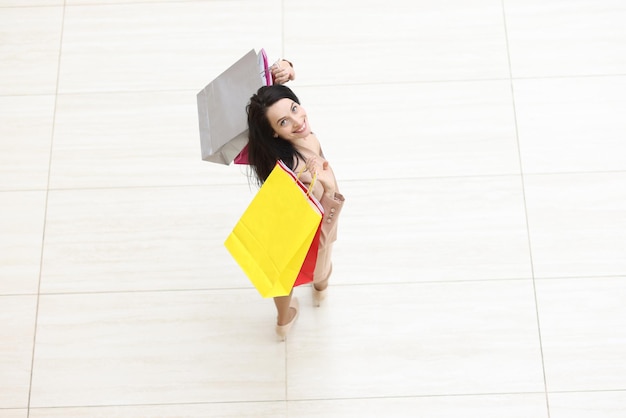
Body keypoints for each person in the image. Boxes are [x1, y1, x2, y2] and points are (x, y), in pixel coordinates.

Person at [246, 84, 345, 340]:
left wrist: (285, 68)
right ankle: (321, 287)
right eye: (284, 122)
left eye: (294, 107)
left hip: (280, 226)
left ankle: (283, 320)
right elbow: (324, 210)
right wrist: (326, 181)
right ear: (275, 132)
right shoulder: (299, 170)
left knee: (281, 274)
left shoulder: (272, 153)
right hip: (310, 224)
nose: (298, 121)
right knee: (322, 257)